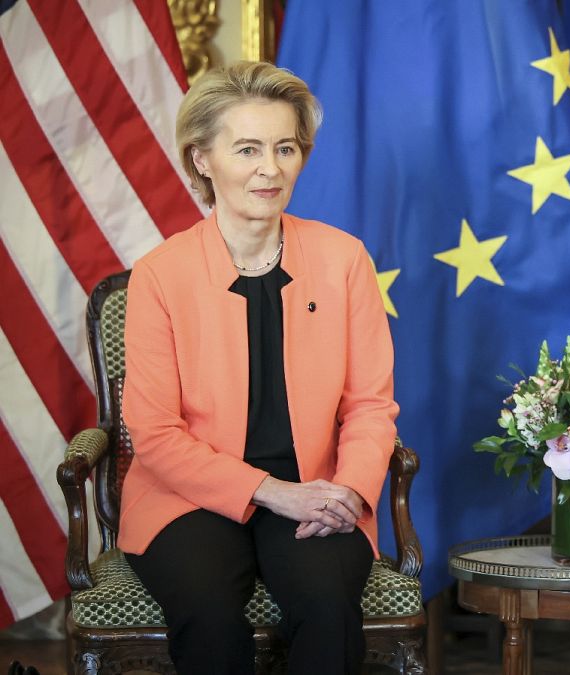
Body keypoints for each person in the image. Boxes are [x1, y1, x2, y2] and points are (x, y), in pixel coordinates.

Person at [119, 61, 399, 674]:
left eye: (286, 148)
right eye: (247, 149)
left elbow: (370, 406)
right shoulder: (160, 275)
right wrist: (274, 494)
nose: (269, 168)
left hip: (319, 483)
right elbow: (156, 433)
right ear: (202, 160)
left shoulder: (344, 259)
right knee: (209, 609)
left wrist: (347, 491)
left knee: (326, 603)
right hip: (186, 497)